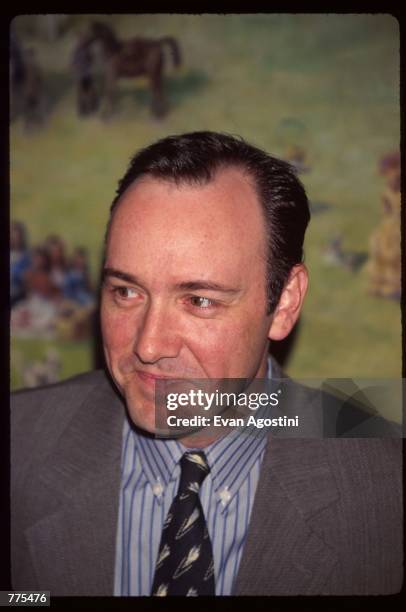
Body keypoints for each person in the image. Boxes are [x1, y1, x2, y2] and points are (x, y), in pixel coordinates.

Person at [11, 131, 402, 596]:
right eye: (126, 292)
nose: (148, 345)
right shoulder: (18, 443)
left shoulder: (386, 489)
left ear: (284, 304)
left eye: (198, 300)